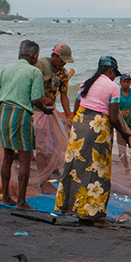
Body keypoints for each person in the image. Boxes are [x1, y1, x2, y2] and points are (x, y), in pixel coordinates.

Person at [55, 56, 131, 227]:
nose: (115, 77)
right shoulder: (112, 87)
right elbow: (114, 118)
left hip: (80, 126)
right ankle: (96, 216)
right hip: (98, 128)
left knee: (77, 167)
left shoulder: (85, 83)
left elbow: (77, 108)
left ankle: (75, 209)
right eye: (115, 73)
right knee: (97, 170)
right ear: (110, 70)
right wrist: (127, 135)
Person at [0, 40, 54, 209]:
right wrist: (45, 110)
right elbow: (35, 99)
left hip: (3, 114)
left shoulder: (6, 70)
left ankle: (5, 197)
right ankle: (21, 201)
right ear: (35, 56)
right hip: (21, 114)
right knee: (24, 158)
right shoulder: (35, 72)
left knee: (8, 156)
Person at [34, 43, 74, 193]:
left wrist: (69, 115)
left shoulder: (63, 74)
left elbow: (64, 96)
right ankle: (43, 182)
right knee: (42, 148)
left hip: (51, 112)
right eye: (61, 59)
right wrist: (43, 99)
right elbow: (33, 87)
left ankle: (47, 176)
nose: (63, 63)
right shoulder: (41, 65)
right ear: (54, 56)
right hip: (37, 111)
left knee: (53, 146)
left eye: (65, 61)